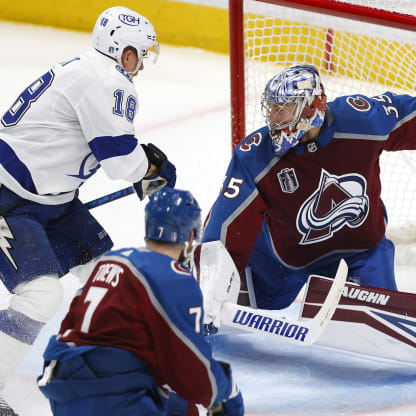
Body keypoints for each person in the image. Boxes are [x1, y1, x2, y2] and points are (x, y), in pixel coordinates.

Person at [0, 6, 176, 414]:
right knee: (40, 295)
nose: (142, 66)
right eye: (140, 55)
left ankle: (125, 375)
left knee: (109, 274)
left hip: (53, 202)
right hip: (9, 200)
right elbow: (120, 163)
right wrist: (148, 167)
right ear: (125, 51)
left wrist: (141, 165)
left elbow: (113, 151)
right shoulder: (107, 81)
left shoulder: (87, 69)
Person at [196, 63, 415, 329]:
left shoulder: (363, 121)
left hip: (361, 253)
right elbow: (224, 226)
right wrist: (207, 292)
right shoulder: (255, 155)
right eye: (272, 108)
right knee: (235, 317)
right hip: (284, 261)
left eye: (283, 108)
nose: (274, 118)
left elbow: (407, 114)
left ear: (312, 106)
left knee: (386, 329)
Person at [37, 188, 244, 416]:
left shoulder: (111, 262)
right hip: (114, 394)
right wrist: (226, 388)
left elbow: (70, 323)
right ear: (191, 235)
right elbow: (188, 364)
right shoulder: (174, 277)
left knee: (179, 406)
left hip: (64, 384)